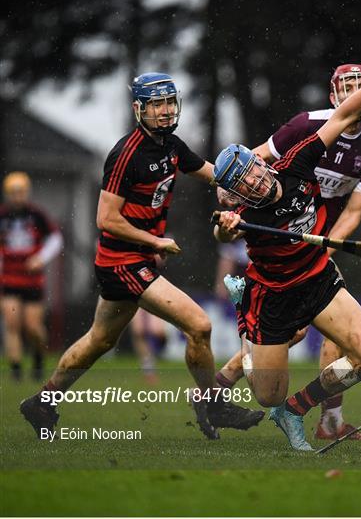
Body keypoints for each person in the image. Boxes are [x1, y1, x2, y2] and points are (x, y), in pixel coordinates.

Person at [19, 72, 264, 440]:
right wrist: (154, 241)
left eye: (169, 103)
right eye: (156, 105)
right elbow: (106, 219)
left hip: (133, 261)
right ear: (139, 109)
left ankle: (42, 401)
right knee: (199, 326)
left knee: (100, 341)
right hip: (122, 262)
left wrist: (248, 186)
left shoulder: (172, 146)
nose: (165, 112)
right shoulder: (125, 154)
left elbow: (213, 175)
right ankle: (212, 402)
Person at [213, 35, 361, 450]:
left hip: (319, 276)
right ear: (242, 194)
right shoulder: (247, 217)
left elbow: (344, 116)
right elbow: (222, 231)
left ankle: (297, 410)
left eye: (256, 169)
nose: (257, 178)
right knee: (267, 393)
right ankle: (244, 322)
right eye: (247, 182)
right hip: (273, 294)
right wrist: (226, 225)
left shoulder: (299, 160)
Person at [1, 172, 64, 382]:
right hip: (9, 279)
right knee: (12, 323)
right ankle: (16, 369)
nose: (17, 196)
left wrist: (40, 258)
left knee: (33, 328)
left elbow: (56, 239)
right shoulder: (2, 216)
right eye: (13, 192)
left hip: (32, 281)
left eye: (21, 192)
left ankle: (38, 357)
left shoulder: (37, 215)